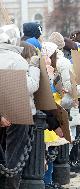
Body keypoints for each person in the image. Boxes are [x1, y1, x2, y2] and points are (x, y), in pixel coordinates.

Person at [0, 24, 40, 189]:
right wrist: (34, 68)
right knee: (14, 155)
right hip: (17, 111)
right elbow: (29, 87)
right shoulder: (17, 59)